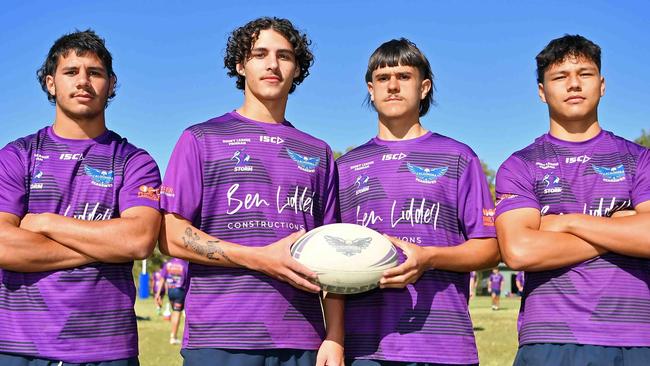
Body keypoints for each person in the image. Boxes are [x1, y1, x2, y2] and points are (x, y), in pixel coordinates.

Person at [158, 17, 343, 366]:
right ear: (241, 65)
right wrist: (259, 258)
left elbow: (331, 255)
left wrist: (334, 337)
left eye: (284, 56)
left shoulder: (319, 152)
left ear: (297, 68)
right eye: (260, 54)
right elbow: (169, 235)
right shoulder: (201, 138)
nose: (272, 64)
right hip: (219, 337)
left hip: (303, 338)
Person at [0, 30, 161, 365]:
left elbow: (138, 241)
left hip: (107, 349)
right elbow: (4, 246)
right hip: (20, 346)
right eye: (71, 72)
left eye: (95, 73)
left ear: (112, 84)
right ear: (50, 83)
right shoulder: (17, 155)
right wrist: (104, 247)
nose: (83, 81)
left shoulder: (135, 161)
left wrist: (46, 223)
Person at [336, 38, 500, 365]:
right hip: (365, 346)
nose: (393, 86)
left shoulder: (458, 157)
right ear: (371, 89)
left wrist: (428, 258)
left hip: (442, 346)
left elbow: (490, 249)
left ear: (424, 87)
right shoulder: (345, 167)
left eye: (404, 76)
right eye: (383, 78)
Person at [495, 34, 650, 365]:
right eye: (560, 76)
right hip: (550, 338)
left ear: (602, 84)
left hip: (637, 335)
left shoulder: (640, 159)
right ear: (542, 91)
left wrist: (565, 222)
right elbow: (520, 250)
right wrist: (620, 229)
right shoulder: (520, 164)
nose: (574, 84)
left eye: (585, 73)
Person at [156, 258, 189, 344]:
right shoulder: (185, 263)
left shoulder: (168, 263)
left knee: (174, 312)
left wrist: (158, 293)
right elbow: (188, 279)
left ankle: (173, 335)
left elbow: (162, 279)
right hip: (180, 291)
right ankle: (173, 336)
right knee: (176, 313)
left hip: (170, 291)